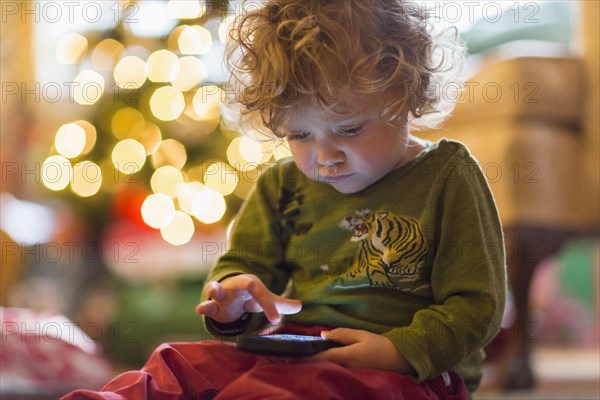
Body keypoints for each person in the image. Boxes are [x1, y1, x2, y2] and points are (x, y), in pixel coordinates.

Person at [63, 0, 505, 399]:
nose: (325, 157)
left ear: (408, 93)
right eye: (299, 134)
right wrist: (232, 299)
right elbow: (244, 268)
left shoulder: (448, 175)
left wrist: (396, 350)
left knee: (294, 388)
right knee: (176, 363)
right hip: (293, 347)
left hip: (411, 371)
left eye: (350, 129)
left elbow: (476, 306)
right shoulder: (281, 184)